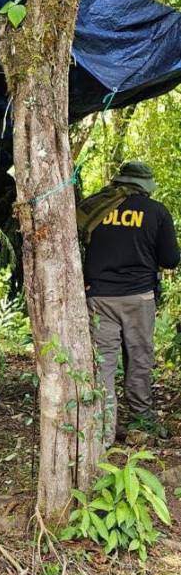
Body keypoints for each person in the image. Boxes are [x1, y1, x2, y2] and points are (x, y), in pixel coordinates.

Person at [77, 161, 180, 445]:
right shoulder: (157, 212)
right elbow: (170, 259)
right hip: (138, 298)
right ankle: (142, 421)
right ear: (145, 186)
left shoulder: (95, 208)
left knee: (104, 365)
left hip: (100, 298)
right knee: (139, 360)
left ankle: (103, 433)